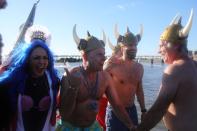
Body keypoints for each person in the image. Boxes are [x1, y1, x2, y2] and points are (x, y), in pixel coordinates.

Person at [56, 24, 135, 131]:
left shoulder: (105, 77)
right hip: (70, 127)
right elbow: (64, 114)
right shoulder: (70, 76)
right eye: (99, 55)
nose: (104, 58)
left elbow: (117, 105)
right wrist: (73, 88)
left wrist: (130, 125)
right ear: (85, 56)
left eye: (104, 54)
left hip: (92, 127)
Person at [137, 9, 197, 131]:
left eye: (161, 46)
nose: (158, 51)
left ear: (174, 45)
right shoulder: (194, 65)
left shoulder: (175, 70)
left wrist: (140, 129)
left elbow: (159, 109)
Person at [0, 25, 60, 131]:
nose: (41, 62)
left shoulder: (54, 81)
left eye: (45, 58)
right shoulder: (12, 81)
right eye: (36, 58)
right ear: (27, 60)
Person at [103, 24, 146, 131]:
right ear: (122, 47)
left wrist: (144, 110)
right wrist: (104, 67)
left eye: (135, 45)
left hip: (132, 111)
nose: (134, 48)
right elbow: (100, 84)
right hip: (115, 113)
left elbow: (139, 90)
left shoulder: (139, 68)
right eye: (130, 45)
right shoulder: (112, 65)